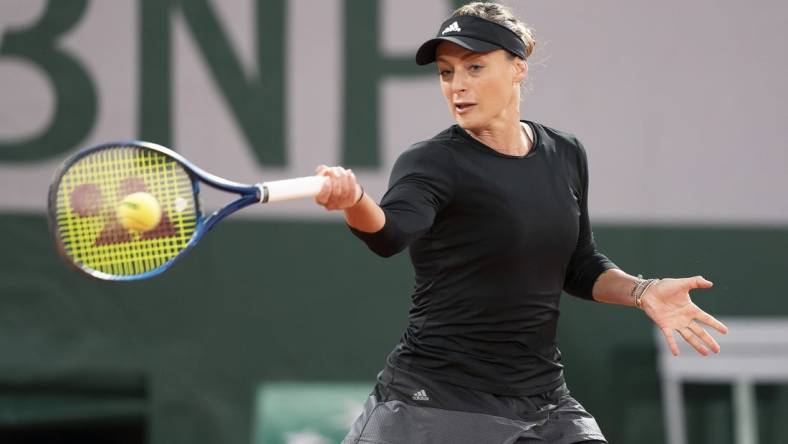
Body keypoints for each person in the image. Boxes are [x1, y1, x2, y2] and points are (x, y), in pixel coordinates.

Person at [314, 3, 728, 443]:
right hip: (435, 400)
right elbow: (389, 233)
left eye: (474, 67)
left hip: (543, 401)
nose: (458, 86)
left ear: (518, 68)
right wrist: (355, 200)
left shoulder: (566, 154)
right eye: (446, 72)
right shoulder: (432, 162)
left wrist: (643, 292)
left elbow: (579, 265)